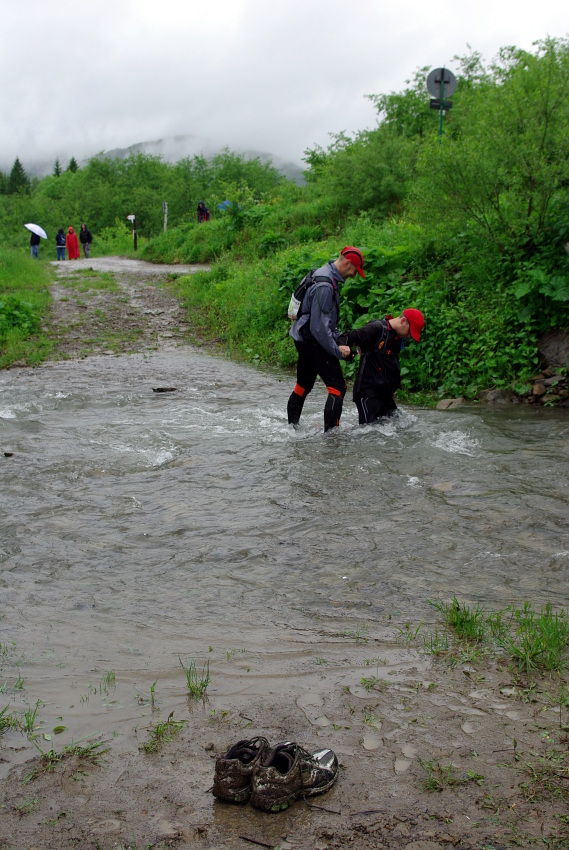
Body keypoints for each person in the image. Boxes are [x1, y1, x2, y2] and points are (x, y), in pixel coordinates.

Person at [287, 246, 365, 432]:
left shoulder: (322, 273)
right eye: (355, 270)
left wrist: (339, 339)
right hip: (312, 340)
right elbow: (319, 328)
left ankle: (291, 430)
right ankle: (332, 440)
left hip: (302, 337)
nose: (354, 275)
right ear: (348, 263)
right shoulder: (326, 285)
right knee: (338, 387)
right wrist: (338, 351)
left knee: (303, 385)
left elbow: (325, 322)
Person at [340, 309, 425, 424]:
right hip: (367, 394)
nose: (410, 336)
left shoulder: (397, 338)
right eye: (410, 332)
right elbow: (348, 337)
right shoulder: (376, 329)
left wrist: (393, 386)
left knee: (399, 427)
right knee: (369, 433)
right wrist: (344, 346)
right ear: (403, 321)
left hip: (385, 395)